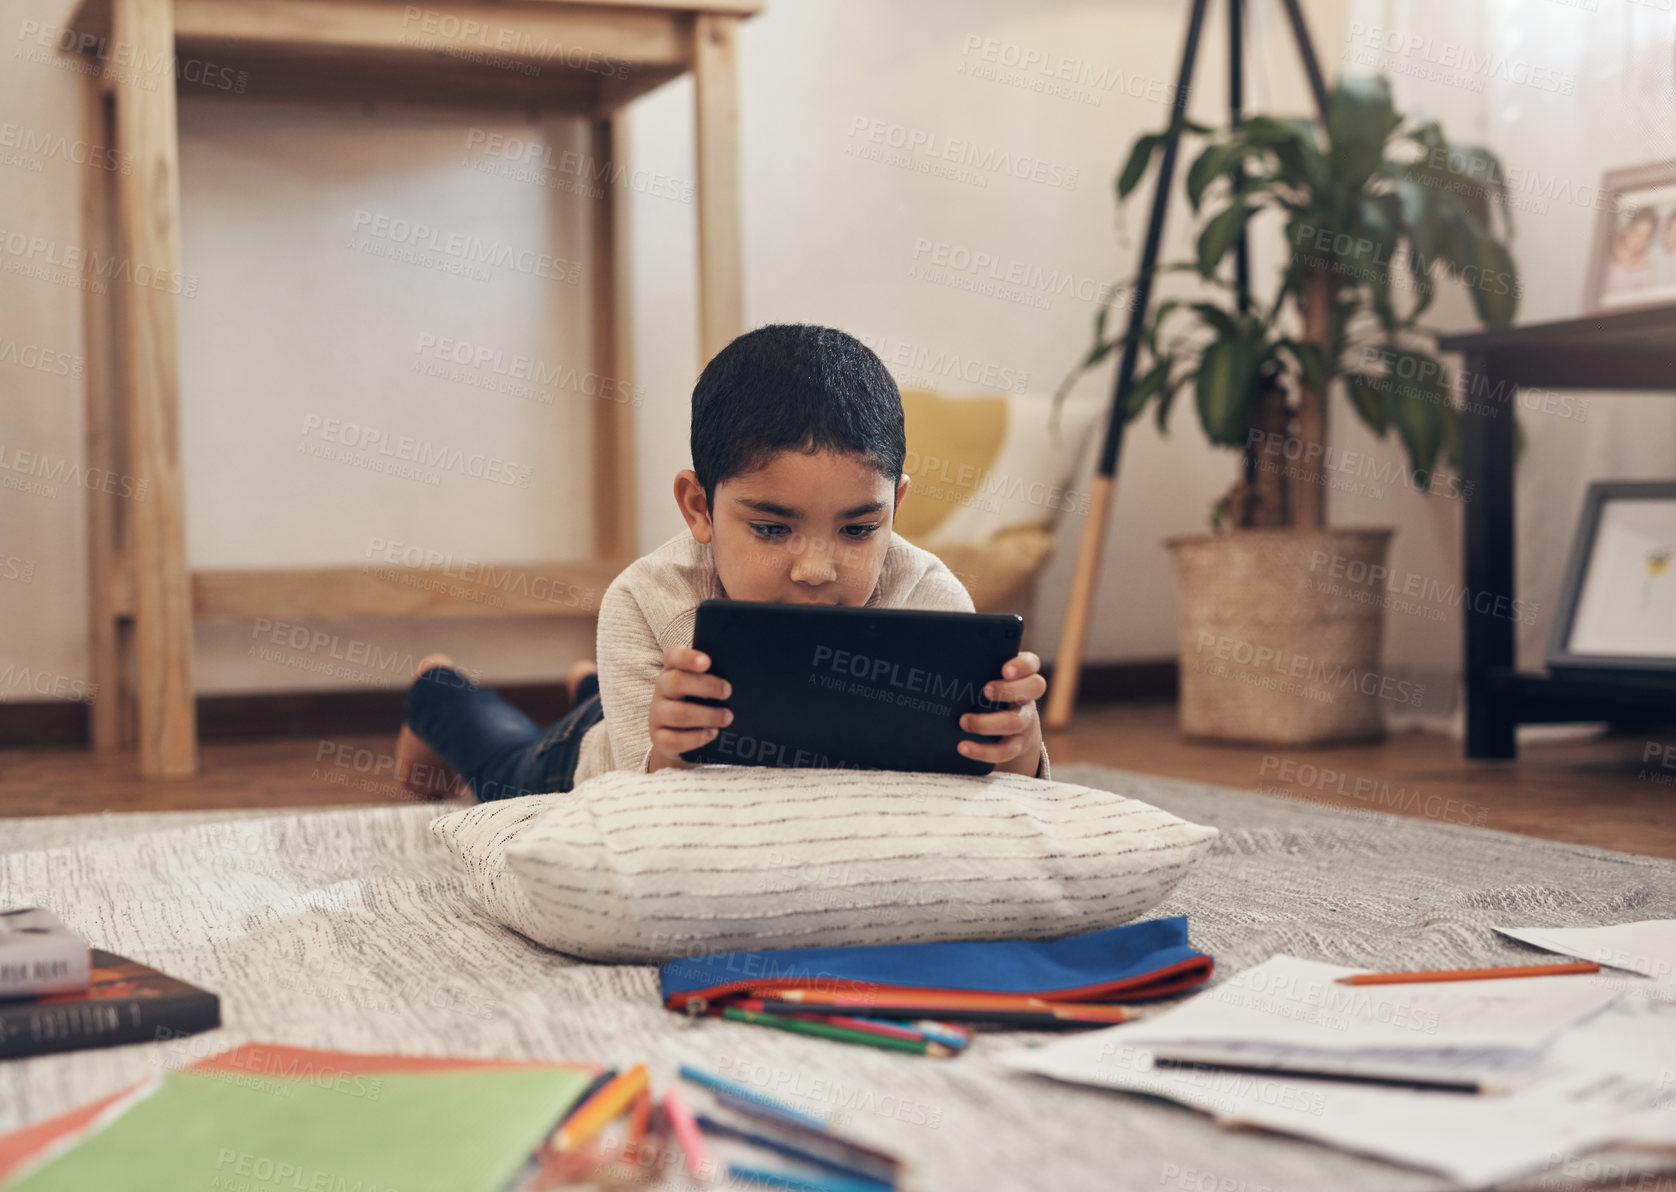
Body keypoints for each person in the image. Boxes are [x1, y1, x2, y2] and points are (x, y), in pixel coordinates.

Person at [394, 324, 1050, 802]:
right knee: (509, 770)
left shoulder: (932, 601)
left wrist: (1016, 750)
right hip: (601, 764)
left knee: (618, 696)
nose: (817, 570)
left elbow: (989, 795)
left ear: (895, 507)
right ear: (698, 507)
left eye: (859, 528)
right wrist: (667, 754)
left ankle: (597, 687)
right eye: (771, 528)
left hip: (655, 700)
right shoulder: (647, 600)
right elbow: (642, 814)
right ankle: (439, 692)